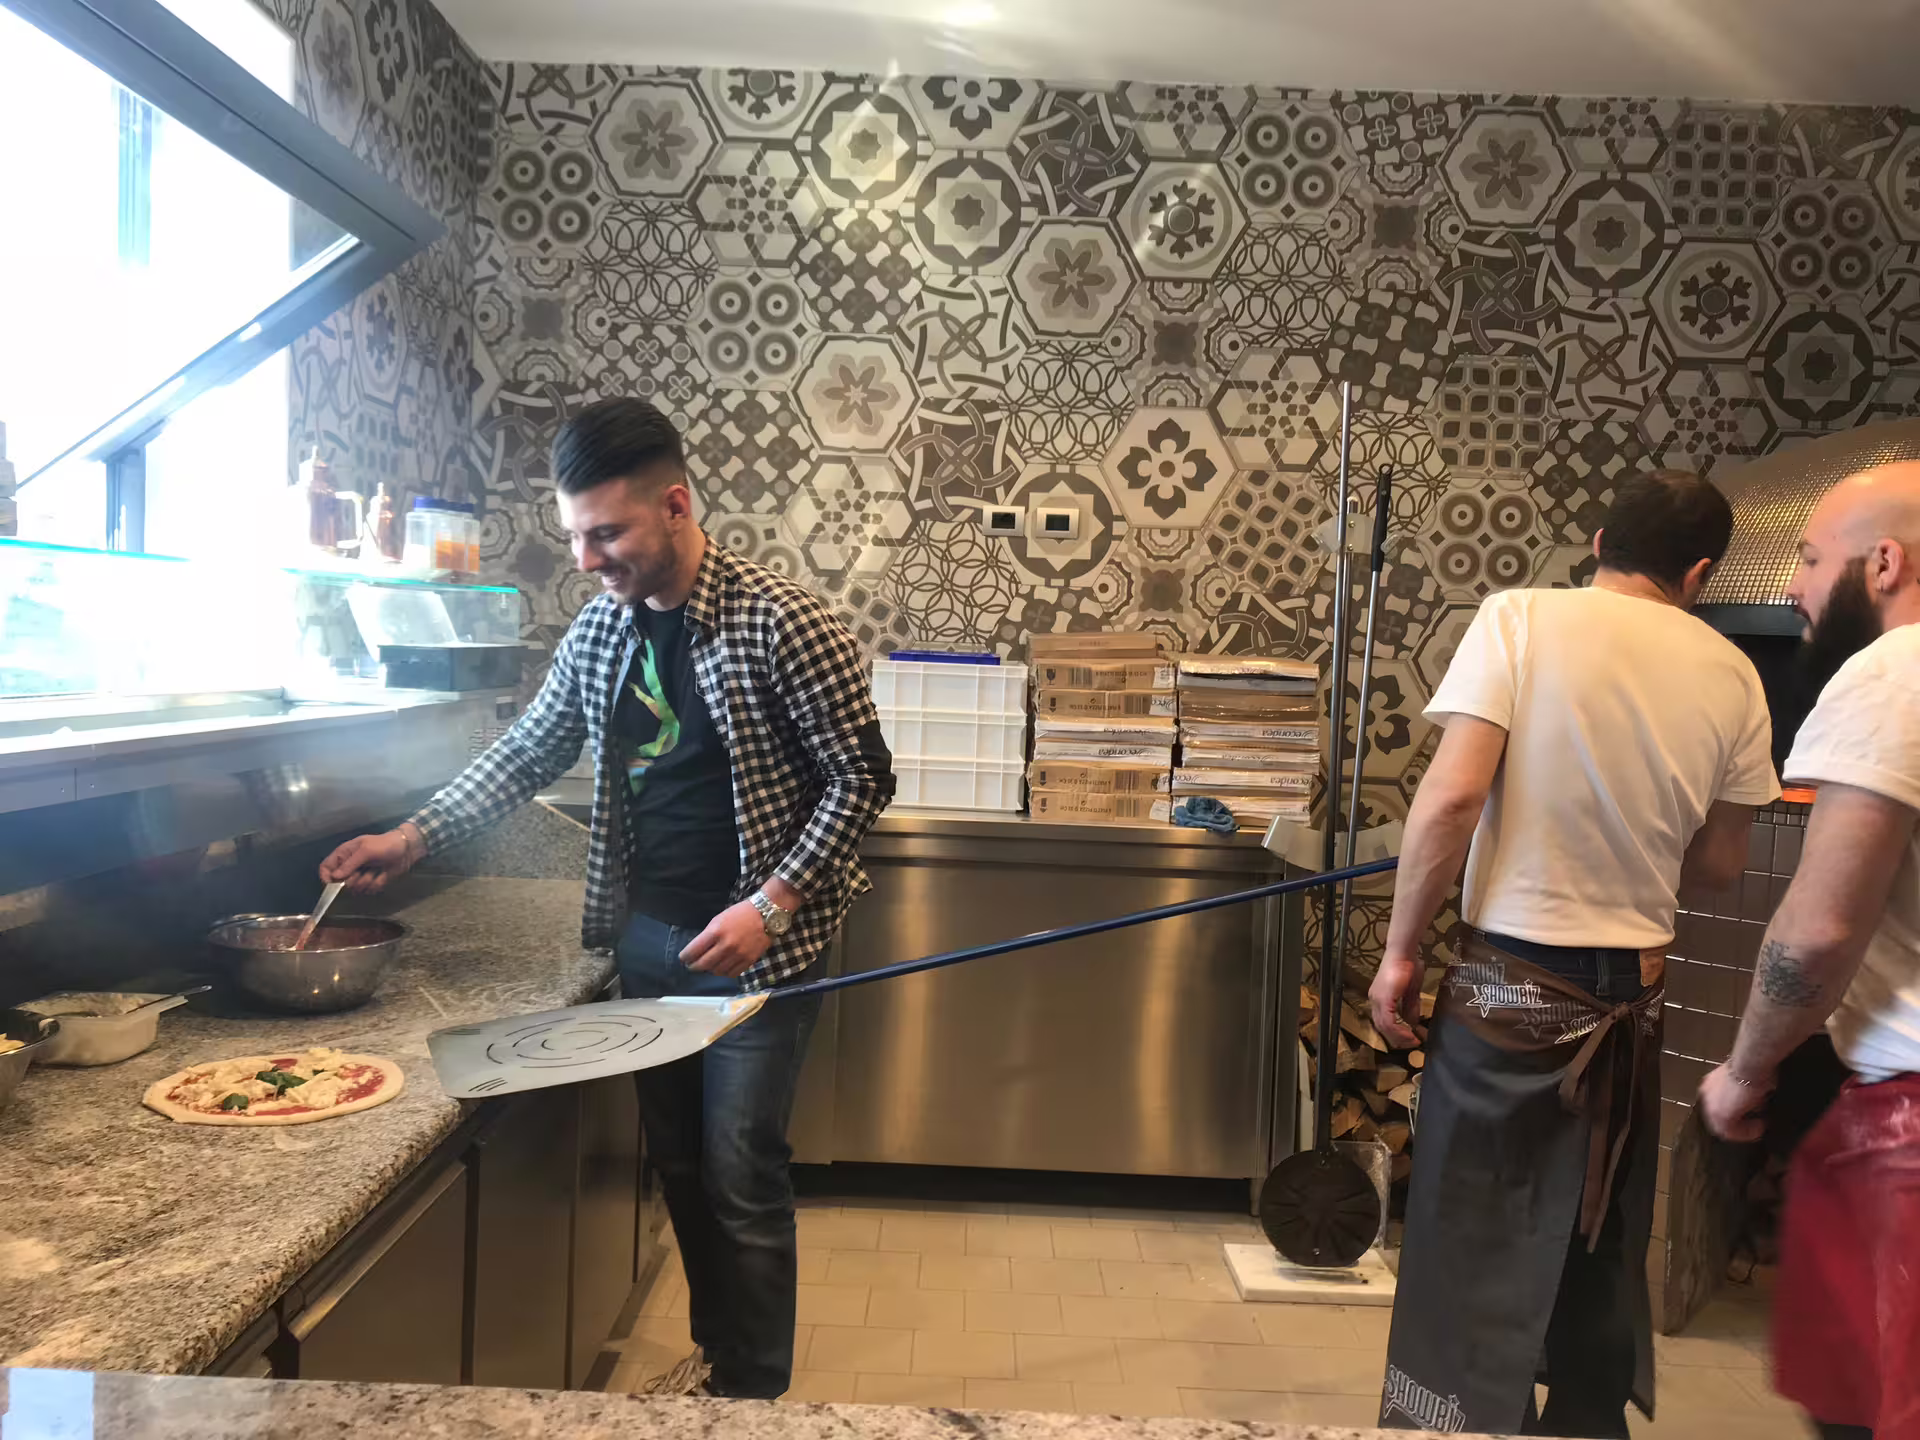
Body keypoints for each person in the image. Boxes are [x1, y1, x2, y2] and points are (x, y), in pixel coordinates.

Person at [320, 398, 896, 1400]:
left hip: (761, 954)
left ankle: (753, 1395)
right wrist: (410, 837)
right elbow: (526, 751)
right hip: (644, 942)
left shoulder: (781, 619)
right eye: (576, 535)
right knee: (678, 1168)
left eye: (606, 534)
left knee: (742, 1175)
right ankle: (722, 1365)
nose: (587, 559)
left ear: (674, 506)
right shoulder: (601, 634)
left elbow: (862, 775)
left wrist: (777, 899)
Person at [1367, 470, 1780, 1438]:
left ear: (1599, 543)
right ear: (1702, 572)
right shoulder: (1735, 673)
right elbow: (1719, 867)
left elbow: (1454, 799)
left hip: (1511, 981)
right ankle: (1586, 1419)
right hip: (1632, 996)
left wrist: (1399, 954)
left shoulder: (1520, 618)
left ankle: (1448, 1423)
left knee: (1471, 1228)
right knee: (1597, 1225)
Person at [1698, 463, 1920, 1440]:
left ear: (1886, 561)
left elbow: (1820, 925)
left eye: (1808, 555)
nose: (1791, 583)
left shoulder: (1894, 672)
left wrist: (1746, 1074)